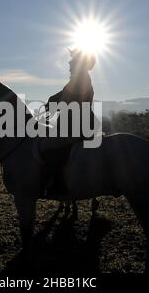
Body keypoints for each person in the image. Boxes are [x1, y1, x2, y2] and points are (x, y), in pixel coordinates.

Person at [40, 49, 97, 195]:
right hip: (76, 124)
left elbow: (66, 99)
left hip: (76, 126)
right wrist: (51, 103)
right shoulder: (79, 78)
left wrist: (51, 103)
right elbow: (62, 96)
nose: (69, 63)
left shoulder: (79, 79)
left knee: (48, 146)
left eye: (72, 61)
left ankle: (59, 185)